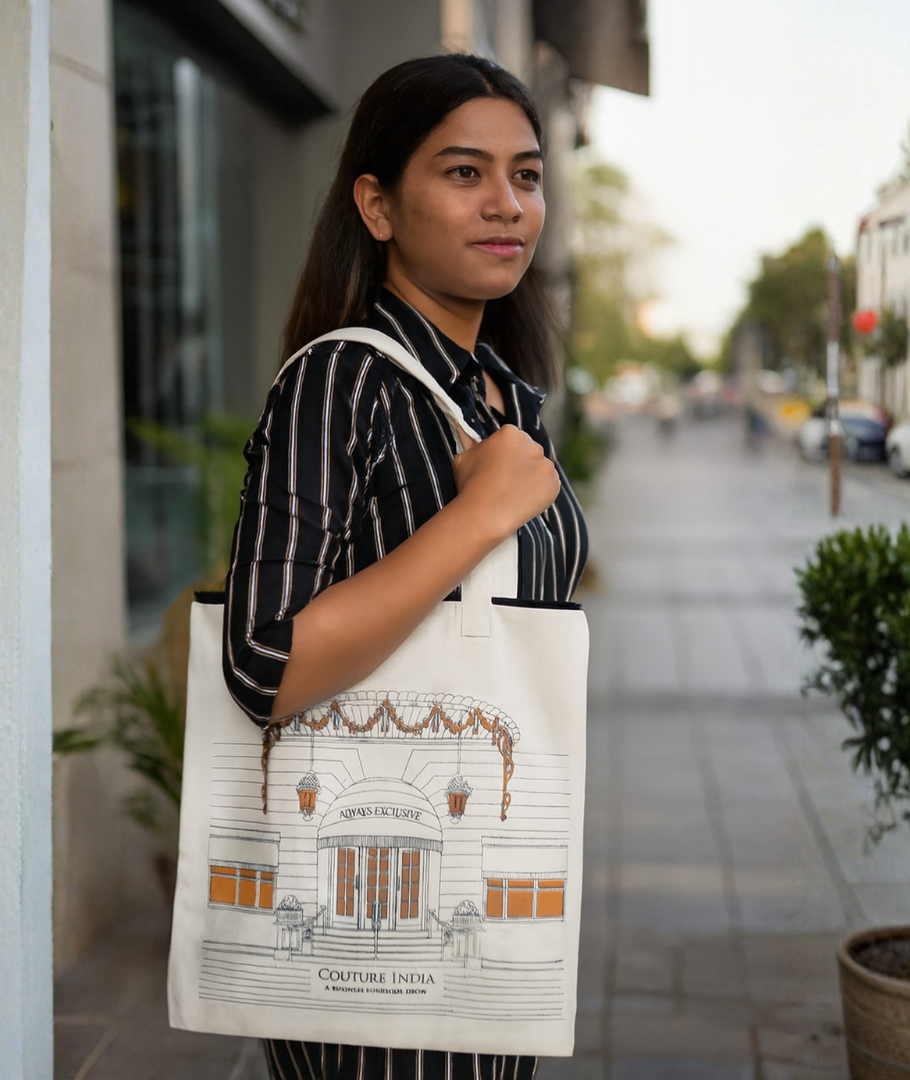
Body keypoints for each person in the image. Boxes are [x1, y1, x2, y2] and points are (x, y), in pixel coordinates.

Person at [221, 53, 588, 1080]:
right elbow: (265, 662)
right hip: (365, 901)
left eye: (526, 174)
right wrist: (479, 517)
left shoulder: (504, 395)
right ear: (377, 205)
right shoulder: (340, 381)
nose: (507, 203)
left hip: (487, 862)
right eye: (464, 173)